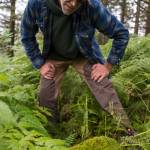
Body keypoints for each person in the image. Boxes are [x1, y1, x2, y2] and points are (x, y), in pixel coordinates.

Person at [21, 0, 134, 135]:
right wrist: (40, 64)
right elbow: (26, 36)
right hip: (54, 56)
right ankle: (49, 136)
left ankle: (128, 132)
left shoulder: (92, 6)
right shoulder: (37, 3)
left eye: (79, 0)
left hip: (83, 54)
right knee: (45, 95)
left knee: (103, 86)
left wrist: (108, 66)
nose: (74, 4)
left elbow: (121, 34)